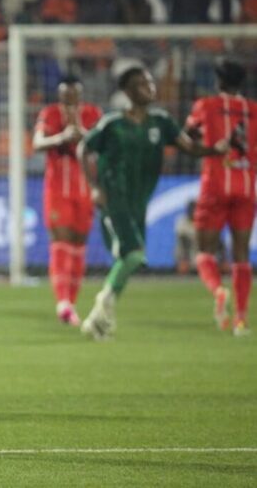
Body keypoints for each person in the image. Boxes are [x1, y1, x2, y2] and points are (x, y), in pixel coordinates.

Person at [78, 66, 229, 341]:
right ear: (127, 92)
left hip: (139, 203)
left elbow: (189, 148)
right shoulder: (113, 124)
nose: (150, 87)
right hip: (114, 201)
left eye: (150, 81)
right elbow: (84, 148)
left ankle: (97, 320)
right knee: (134, 255)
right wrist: (95, 188)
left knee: (130, 258)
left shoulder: (162, 123)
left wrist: (214, 150)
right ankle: (102, 308)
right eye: (141, 84)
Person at [187, 58, 257, 336]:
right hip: (247, 186)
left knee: (204, 251)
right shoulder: (254, 110)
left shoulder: (206, 106)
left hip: (215, 184)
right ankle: (241, 319)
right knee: (241, 254)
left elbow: (187, 136)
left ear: (219, 82)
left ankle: (218, 291)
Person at [32, 75, 102, 326]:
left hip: (85, 190)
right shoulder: (50, 114)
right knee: (61, 241)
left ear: (80, 93)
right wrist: (60, 138)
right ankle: (62, 302)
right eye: (65, 94)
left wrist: (84, 136)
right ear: (60, 94)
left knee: (78, 246)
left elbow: (104, 146)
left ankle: (70, 303)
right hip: (57, 190)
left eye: (74, 93)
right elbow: (38, 142)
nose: (70, 98)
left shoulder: (93, 114)